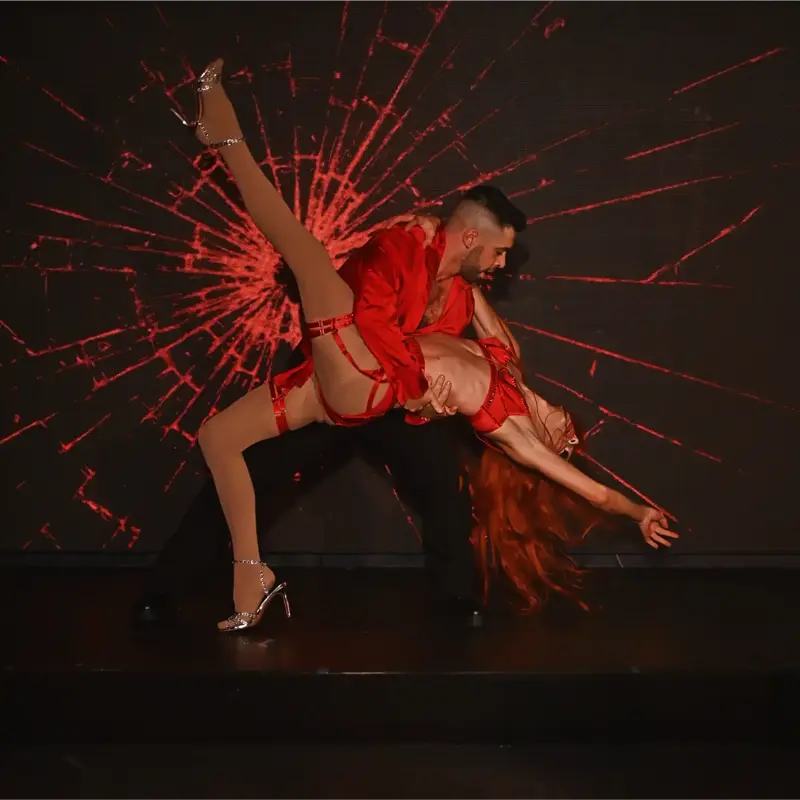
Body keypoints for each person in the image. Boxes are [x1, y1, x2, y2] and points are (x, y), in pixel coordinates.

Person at [170, 59, 677, 632]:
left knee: (305, 255)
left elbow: (594, 493)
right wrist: (435, 241)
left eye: (565, 444)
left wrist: (638, 511)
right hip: (338, 373)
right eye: (499, 252)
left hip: (370, 385)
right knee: (219, 438)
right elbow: (456, 297)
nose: (569, 436)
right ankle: (243, 576)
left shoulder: (507, 427)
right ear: (468, 240)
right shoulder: (498, 348)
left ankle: (225, 135)